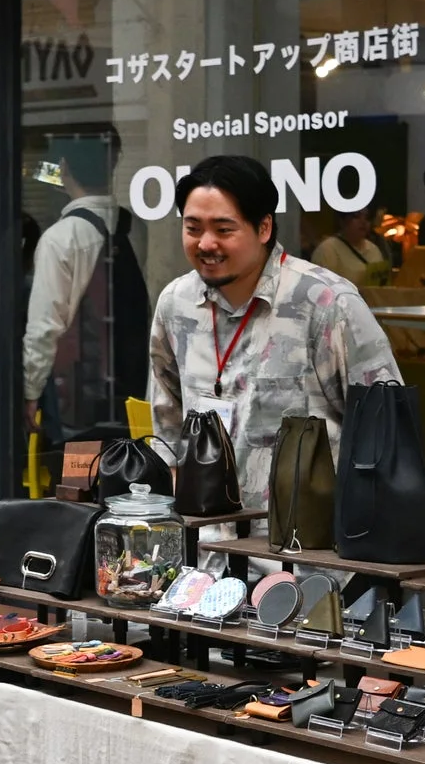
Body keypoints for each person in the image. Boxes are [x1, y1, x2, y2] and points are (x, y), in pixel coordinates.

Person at [149, 155, 401, 516]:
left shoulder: (325, 302)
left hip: (302, 554)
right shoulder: (176, 304)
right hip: (205, 548)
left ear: (264, 228)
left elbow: (384, 431)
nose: (205, 243)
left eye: (223, 229)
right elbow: (166, 422)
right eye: (193, 228)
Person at [22, 128, 150, 440]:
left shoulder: (60, 239)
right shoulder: (135, 228)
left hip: (77, 397)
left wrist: (30, 390)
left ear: (63, 168)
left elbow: (44, 328)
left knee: (76, 482)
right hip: (134, 384)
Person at [310, 208, 390, 288]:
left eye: (367, 218)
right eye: (356, 217)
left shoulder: (374, 249)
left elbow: (382, 287)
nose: (363, 222)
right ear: (342, 221)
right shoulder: (327, 249)